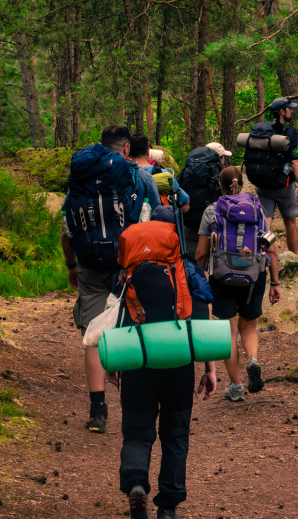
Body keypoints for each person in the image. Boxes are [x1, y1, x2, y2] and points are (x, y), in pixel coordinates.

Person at [117, 206, 218, 519]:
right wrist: (210, 369)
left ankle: (136, 483)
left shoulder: (128, 270)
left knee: (137, 432)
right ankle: (169, 507)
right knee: (175, 435)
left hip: (138, 360)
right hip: (179, 361)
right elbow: (203, 319)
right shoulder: (188, 270)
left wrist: (113, 364)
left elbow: (117, 315)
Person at [62, 125, 160, 434]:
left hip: (89, 265)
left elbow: (68, 229)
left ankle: (98, 411)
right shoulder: (140, 176)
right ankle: (135, 406)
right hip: (129, 264)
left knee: (94, 334)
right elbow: (156, 220)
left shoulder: (81, 178)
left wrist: (71, 266)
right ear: (127, 148)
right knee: (134, 327)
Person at [195, 166, 280, 402]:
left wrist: (198, 275)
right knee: (249, 326)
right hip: (254, 274)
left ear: (219, 185)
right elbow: (270, 248)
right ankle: (253, 359)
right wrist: (275, 282)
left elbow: (202, 253)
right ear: (241, 183)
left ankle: (236, 386)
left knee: (228, 332)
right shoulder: (258, 209)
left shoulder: (212, 211)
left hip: (221, 275)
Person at [247, 97, 298, 254]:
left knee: (265, 225)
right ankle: (294, 259)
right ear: (282, 111)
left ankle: (259, 258)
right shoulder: (288, 132)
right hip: (283, 186)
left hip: (262, 185)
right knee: (290, 223)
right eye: (289, 109)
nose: (291, 111)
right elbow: (295, 162)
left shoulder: (262, 130)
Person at [131, 135, 189, 210]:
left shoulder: (122, 172)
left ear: (128, 150)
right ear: (148, 151)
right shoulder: (163, 174)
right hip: (155, 220)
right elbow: (185, 204)